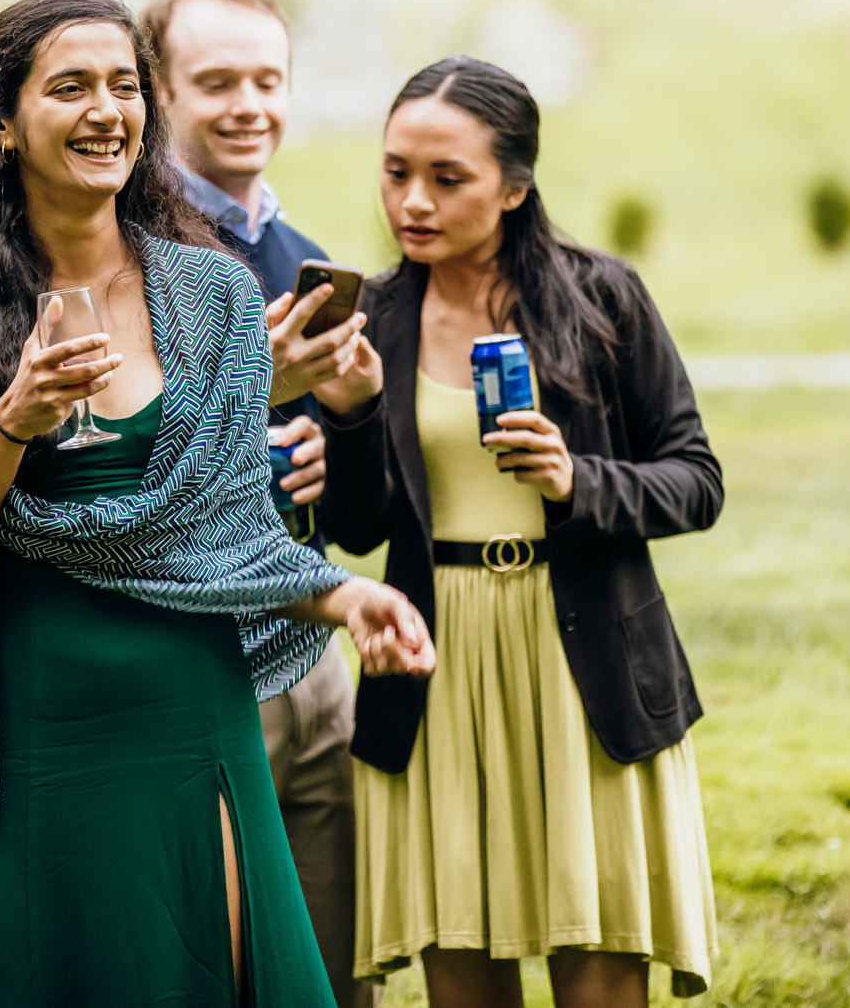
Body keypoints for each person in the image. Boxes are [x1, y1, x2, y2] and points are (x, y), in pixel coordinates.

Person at [0, 0, 435, 1006]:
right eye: (68, 87)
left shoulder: (215, 297)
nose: (105, 110)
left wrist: (345, 598)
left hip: (188, 716)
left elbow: (235, 540)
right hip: (27, 727)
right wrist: (9, 423)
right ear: (1, 122)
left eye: (124, 86)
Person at [316, 57, 723, 1006]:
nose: (411, 201)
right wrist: (349, 413)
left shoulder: (600, 299)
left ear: (515, 184)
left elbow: (696, 480)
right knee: (463, 974)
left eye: (446, 177)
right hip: (437, 668)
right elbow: (355, 525)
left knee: (598, 973)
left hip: (579, 664)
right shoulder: (373, 315)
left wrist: (578, 480)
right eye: (395, 171)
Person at [142, 0, 378, 1008]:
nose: (250, 106)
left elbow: (335, 455)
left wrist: (341, 436)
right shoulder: (124, 250)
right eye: (217, 81)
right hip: (187, 648)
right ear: (158, 90)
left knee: (335, 943)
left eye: (268, 80)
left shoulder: (300, 255)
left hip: (309, 639)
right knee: (213, 948)